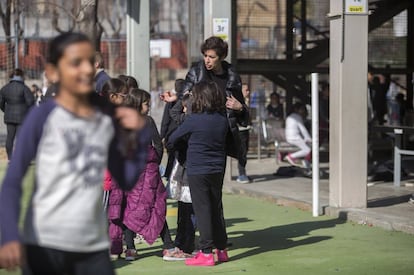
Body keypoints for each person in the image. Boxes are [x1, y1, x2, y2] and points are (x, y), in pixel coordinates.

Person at [0, 32, 150, 275]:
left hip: (92, 248)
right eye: (75, 62)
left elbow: (126, 178)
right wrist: (8, 235)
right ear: (53, 72)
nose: (85, 69)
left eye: (89, 61)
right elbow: (13, 180)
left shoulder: (106, 115)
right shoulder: (43, 116)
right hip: (44, 244)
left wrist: (139, 135)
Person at [108, 88, 189, 262]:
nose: (149, 106)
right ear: (138, 104)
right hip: (146, 172)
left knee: (128, 208)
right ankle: (168, 246)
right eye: (146, 103)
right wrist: (154, 163)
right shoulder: (146, 121)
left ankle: (130, 248)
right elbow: (158, 146)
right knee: (155, 208)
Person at [167, 81, 229, 267]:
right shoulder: (222, 119)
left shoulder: (194, 120)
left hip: (197, 170)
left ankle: (206, 252)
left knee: (203, 211)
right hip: (217, 169)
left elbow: (172, 139)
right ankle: (222, 249)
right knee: (215, 209)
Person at [0, 68, 35, 160]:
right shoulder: (24, 88)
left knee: (10, 137)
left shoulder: (5, 88)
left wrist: (6, 110)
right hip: (22, 116)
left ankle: (10, 158)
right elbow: (31, 102)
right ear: (21, 76)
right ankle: (19, 158)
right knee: (20, 137)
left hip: (9, 116)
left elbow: (1, 103)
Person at [160, 79, 185, 178]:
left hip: (171, 134)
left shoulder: (170, 102)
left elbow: (165, 120)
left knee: (171, 157)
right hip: (183, 134)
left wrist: (162, 135)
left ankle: (168, 175)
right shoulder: (185, 101)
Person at [284, 102, 312, 168]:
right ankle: (291, 157)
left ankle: (306, 162)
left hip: (290, 137)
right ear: (296, 109)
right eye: (302, 109)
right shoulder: (297, 117)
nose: (303, 111)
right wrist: (308, 138)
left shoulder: (290, 116)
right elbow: (303, 129)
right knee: (308, 150)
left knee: (307, 147)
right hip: (295, 138)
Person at [236, 83, 251, 183]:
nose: (248, 92)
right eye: (246, 90)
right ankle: (241, 174)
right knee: (242, 153)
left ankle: (242, 173)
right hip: (240, 131)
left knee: (244, 153)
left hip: (246, 130)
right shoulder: (238, 103)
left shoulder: (246, 102)